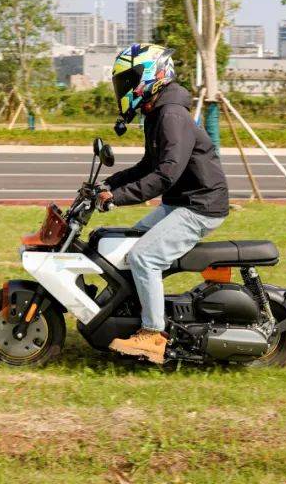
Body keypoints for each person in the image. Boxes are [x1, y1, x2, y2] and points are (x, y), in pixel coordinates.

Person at [95, 43, 230, 363]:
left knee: (144, 257)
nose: (123, 89)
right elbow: (148, 165)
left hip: (199, 206)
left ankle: (153, 335)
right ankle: (132, 312)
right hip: (180, 203)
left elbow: (166, 174)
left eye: (128, 81)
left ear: (150, 76)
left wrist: (117, 198)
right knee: (126, 246)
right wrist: (109, 184)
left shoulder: (171, 115)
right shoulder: (158, 112)